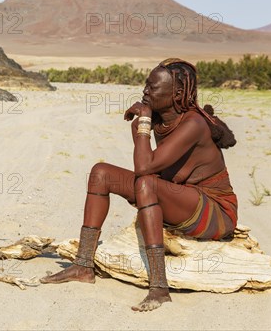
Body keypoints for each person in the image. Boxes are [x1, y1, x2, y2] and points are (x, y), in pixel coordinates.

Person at [40, 58, 237, 312]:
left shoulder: (193, 124)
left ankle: (159, 288)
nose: (145, 91)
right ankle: (83, 265)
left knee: (147, 184)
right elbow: (146, 164)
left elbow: (145, 168)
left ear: (176, 93)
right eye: (146, 84)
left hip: (216, 212)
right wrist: (141, 125)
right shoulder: (159, 119)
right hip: (181, 198)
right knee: (101, 173)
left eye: (153, 87)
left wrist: (143, 121)